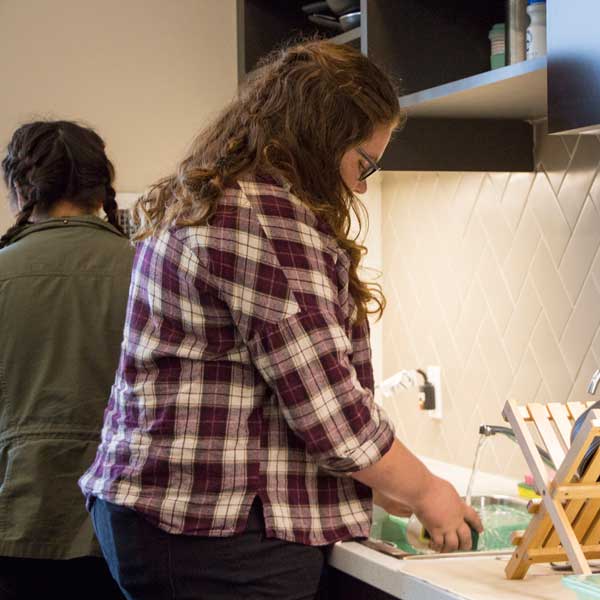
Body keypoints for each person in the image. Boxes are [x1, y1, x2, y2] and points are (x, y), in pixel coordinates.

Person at [79, 40, 482, 600]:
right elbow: (331, 413)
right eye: (363, 162)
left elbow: (270, 394)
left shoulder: (219, 195)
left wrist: (388, 483)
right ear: (322, 138)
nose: (361, 184)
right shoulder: (265, 217)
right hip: (216, 534)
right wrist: (427, 492)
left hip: (166, 515)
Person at [0, 120, 132, 600]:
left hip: (16, 520)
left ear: (20, 187)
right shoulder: (146, 268)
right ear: (102, 186)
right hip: (123, 527)